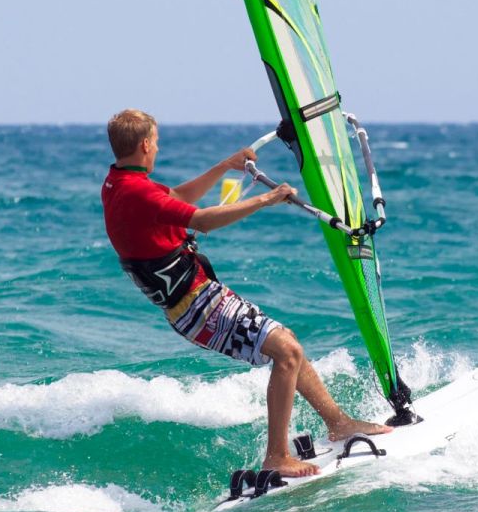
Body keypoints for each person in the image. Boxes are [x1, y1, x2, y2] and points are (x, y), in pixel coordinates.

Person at [101, 109, 390, 477]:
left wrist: (226, 165)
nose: (157, 148)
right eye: (155, 142)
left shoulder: (119, 184)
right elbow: (202, 220)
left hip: (196, 300)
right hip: (198, 306)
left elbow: (176, 197)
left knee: (288, 344)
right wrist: (268, 200)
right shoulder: (138, 192)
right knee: (287, 352)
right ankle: (277, 456)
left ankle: (338, 422)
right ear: (145, 144)